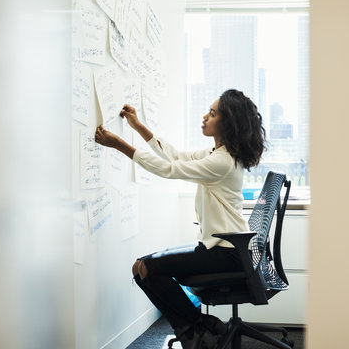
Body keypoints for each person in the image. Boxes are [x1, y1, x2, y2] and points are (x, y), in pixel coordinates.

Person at [94, 89, 266, 349]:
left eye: (212, 113)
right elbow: (175, 156)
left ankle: (196, 329)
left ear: (228, 122)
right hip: (218, 246)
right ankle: (198, 329)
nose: (205, 117)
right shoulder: (217, 153)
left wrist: (119, 145)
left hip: (227, 252)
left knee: (145, 268)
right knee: (141, 268)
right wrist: (139, 127)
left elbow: (170, 169)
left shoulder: (222, 162)